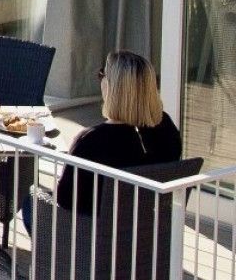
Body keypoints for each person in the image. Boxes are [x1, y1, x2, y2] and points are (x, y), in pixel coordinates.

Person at [40, 50, 181, 223]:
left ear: (112, 88)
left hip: (94, 233)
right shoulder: (167, 131)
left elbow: (65, 200)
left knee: (30, 204)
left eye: (103, 75)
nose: (101, 81)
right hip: (147, 229)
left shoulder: (91, 141)